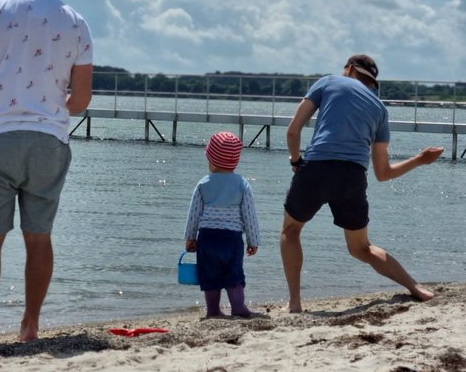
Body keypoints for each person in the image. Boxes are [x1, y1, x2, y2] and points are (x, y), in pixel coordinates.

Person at [0, 0, 93, 344]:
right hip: (48, 140)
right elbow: (81, 99)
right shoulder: (76, 22)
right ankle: (30, 325)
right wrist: (57, 109)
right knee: (39, 238)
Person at [280, 54, 443, 311]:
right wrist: (420, 159)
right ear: (370, 82)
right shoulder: (379, 109)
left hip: (317, 167)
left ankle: (295, 303)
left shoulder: (328, 82)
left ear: (349, 68)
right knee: (361, 248)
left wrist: (295, 161)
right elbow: (383, 173)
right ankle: (416, 288)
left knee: (291, 231)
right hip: (353, 175)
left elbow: (293, 130)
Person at [184, 131, 261, 318]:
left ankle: (213, 310)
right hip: (232, 239)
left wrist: (190, 238)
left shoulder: (203, 184)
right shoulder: (242, 184)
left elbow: (193, 214)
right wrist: (253, 240)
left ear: (211, 159)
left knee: (210, 276)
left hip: (207, 238)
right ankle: (238, 308)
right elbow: (249, 215)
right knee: (234, 275)